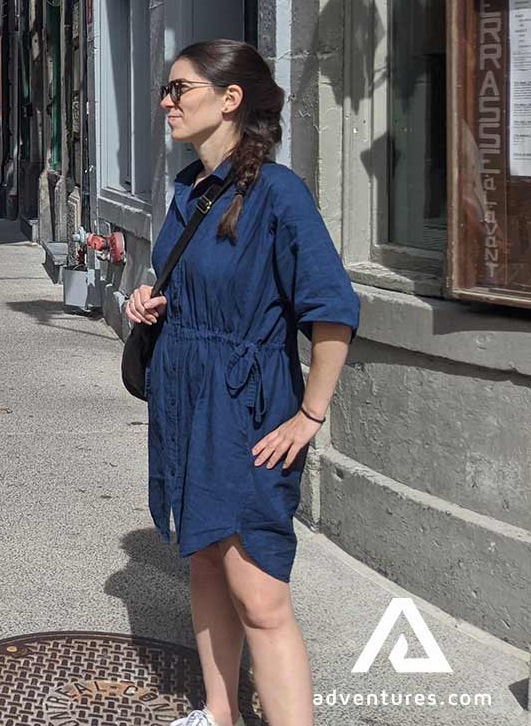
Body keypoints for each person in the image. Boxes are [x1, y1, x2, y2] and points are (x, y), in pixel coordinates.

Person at [125, 40, 359, 726]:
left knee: (259, 595)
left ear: (229, 99)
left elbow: (333, 309)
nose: (166, 102)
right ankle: (218, 713)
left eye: (180, 89)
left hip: (245, 407)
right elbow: (180, 277)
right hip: (185, 397)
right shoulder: (187, 190)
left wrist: (310, 414)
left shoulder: (278, 194)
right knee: (203, 560)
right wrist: (146, 299)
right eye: (166, 91)